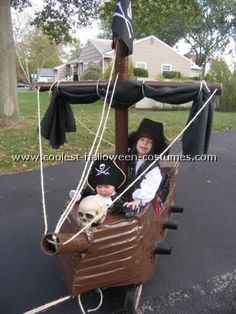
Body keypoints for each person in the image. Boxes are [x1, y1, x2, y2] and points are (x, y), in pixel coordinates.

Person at [124, 118, 168, 212]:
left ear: (153, 147)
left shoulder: (153, 169)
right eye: (142, 139)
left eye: (149, 142)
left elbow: (149, 186)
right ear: (136, 142)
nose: (145, 143)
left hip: (139, 203)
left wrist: (138, 200)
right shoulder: (128, 158)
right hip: (124, 196)